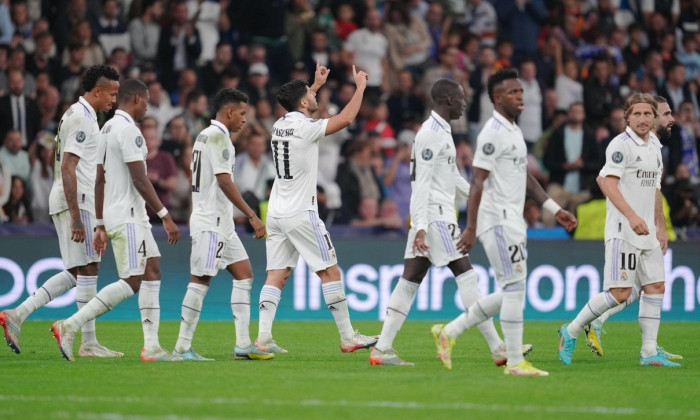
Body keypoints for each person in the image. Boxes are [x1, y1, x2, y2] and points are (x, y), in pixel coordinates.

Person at [369, 79, 530, 367]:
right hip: (435, 216)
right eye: (462, 98)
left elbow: (452, 177)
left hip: (434, 215)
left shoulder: (441, 132)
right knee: (466, 275)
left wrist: (486, 199)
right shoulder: (431, 134)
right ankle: (497, 348)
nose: (465, 103)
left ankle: (382, 348)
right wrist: (420, 225)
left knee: (410, 280)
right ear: (449, 100)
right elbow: (421, 184)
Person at [430, 68, 577, 376]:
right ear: (497, 98)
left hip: (512, 220)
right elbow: (477, 181)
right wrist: (470, 226)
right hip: (495, 220)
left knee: (515, 288)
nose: (520, 96)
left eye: (521, 91)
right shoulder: (492, 133)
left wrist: (553, 207)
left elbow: (524, 177)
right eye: (513, 92)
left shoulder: (513, 131)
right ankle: (513, 361)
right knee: (514, 287)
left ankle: (451, 332)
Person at [49, 79, 181, 362]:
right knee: (132, 281)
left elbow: (99, 180)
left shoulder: (105, 128)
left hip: (121, 214)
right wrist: (165, 215)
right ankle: (69, 325)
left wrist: (99, 223)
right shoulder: (128, 130)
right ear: (135, 99)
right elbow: (139, 178)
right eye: (146, 101)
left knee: (152, 271)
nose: (148, 106)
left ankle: (152, 346)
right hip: (129, 215)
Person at [255, 61, 377, 354]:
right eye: (310, 95)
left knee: (277, 274)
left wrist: (316, 84)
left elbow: (303, 104)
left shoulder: (278, 126)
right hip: (301, 213)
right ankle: (348, 336)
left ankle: (263, 337)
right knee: (330, 272)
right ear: (301, 101)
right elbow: (345, 118)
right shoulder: (306, 128)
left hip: (276, 213)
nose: (315, 97)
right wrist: (360, 87)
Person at [0, 65, 121, 357]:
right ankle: (88, 343)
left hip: (71, 199)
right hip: (76, 200)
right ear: (96, 91)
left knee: (76, 271)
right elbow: (69, 166)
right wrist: (77, 216)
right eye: (112, 93)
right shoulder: (82, 118)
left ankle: (18, 313)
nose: (114, 100)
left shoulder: (75, 113)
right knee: (90, 268)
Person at [558, 93, 681, 368]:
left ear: (653, 117)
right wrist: (632, 216)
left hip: (647, 232)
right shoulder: (620, 145)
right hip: (624, 229)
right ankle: (572, 330)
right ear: (627, 117)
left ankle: (649, 352)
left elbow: (655, 190)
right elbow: (606, 182)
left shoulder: (655, 148)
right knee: (620, 293)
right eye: (636, 114)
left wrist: (659, 227)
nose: (642, 119)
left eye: (648, 114)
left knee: (655, 287)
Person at [171, 88, 271, 361]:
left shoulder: (205, 135)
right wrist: (251, 214)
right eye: (241, 113)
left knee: (245, 274)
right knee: (201, 280)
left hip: (221, 222)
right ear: (228, 112)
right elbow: (225, 181)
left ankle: (242, 344)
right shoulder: (220, 139)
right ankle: (181, 347)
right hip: (211, 222)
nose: (244, 120)